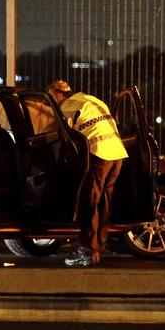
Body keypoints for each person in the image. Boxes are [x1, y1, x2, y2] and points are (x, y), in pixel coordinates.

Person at [47, 80, 128, 267]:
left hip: (100, 154)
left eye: (52, 98)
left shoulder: (67, 107)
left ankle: (87, 250)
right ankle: (98, 245)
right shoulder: (91, 100)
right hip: (118, 154)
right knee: (104, 203)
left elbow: (64, 139)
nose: (53, 103)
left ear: (59, 95)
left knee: (90, 202)